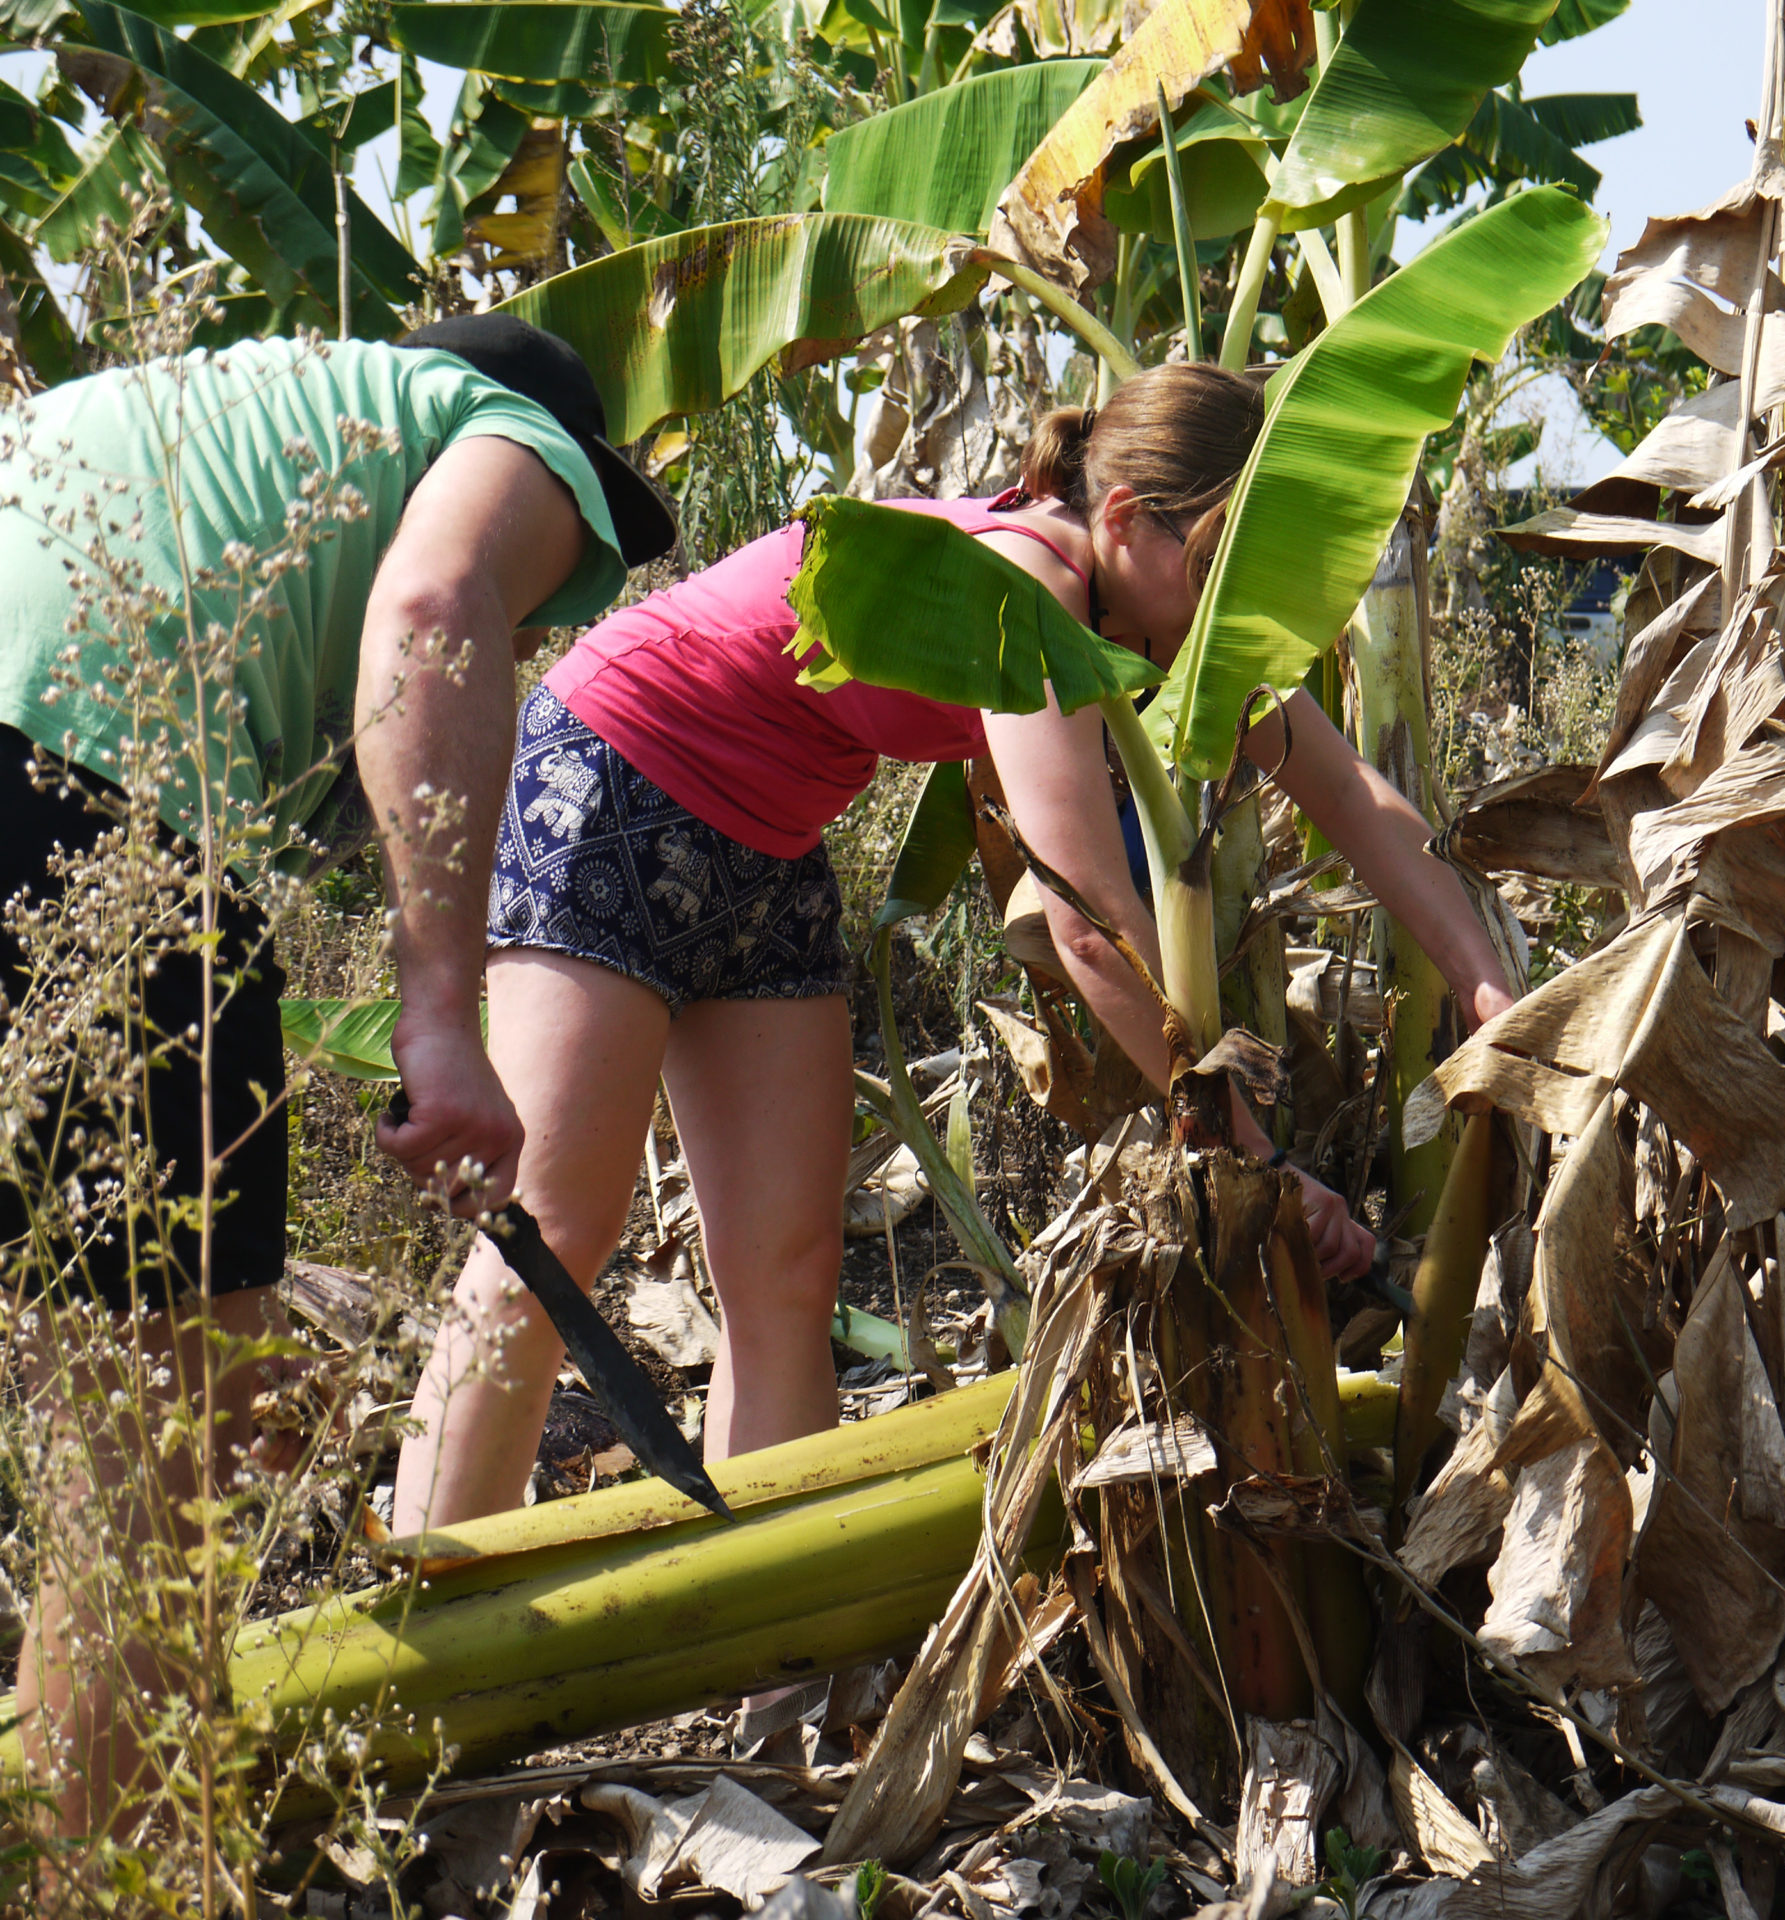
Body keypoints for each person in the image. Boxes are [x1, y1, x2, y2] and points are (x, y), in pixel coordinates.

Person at [392, 362, 1515, 1531]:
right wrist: (1256, 1155)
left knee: (787, 1276)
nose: (1245, 594)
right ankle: (421, 1640)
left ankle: (778, 1686)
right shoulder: (1023, 592)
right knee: (550, 1234)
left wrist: (1491, 988)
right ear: (1126, 520)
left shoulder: (1157, 618)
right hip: (615, 779)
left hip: (771, 841)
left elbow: (1356, 802)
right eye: (1224, 557)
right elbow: (1087, 924)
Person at [0, 314, 675, 1845]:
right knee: (145, 1492)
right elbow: (435, 604)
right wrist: (441, 1017)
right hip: (93, 812)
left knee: (162, 1406)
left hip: (53, 787)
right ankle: (114, 1884)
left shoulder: (179, 433)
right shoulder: (499, 433)